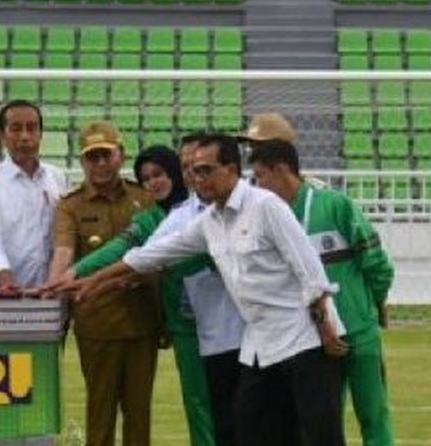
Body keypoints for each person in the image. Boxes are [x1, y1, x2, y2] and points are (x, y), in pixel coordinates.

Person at [71, 134, 349, 446]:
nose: (196, 178)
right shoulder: (209, 221)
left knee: (319, 434)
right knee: (251, 428)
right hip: (261, 343)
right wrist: (92, 282)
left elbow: (309, 269)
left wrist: (325, 326)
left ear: (231, 169)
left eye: (206, 170)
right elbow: (151, 255)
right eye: (193, 171)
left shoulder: (266, 206)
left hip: (307, 338)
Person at [47, 135, 243, 446]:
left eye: (200, 168)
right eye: (188, 168)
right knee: (203, 407)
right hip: (190, 326)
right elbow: (137, 254)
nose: (195, 175)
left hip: (245, 325)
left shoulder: (254, 204)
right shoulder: (177, 217)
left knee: (248, 411)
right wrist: (82, 278)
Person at [248, 138, 396, 446]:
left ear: (281, 170)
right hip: (311, 339)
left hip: (358, 330)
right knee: (321, 422)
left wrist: (374, 301)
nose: (256, 185)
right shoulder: (264, 218)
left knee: (373, 414)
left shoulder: (334, 205)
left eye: (260, 176)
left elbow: (377, 264)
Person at [48, 121, 160, 446]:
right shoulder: (70, 205)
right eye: (91, 156)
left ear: (120, 155)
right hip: (97, 324)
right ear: (82, 161)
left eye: (106, 155)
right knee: (100, 415)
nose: (99, 163)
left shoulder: (145, 197)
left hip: (143, 322)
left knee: (140, 417)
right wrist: (54, 289)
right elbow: (64, 255)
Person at [0, 100, 69, 291]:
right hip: (7, 293)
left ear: (41, 134)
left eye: (32, 128)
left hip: (53, 291)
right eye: (16, 129)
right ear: (2, 135)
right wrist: (6, 281)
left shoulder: (58, 178)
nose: (25, 136)